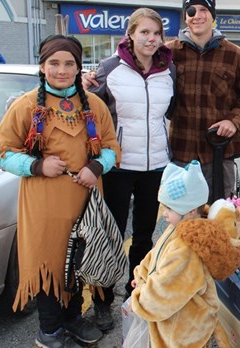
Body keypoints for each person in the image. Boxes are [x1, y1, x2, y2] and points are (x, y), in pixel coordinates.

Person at [0, 34, 120, 348]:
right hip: (43, 205)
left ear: (78, 68)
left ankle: (74, 320)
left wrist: (96, 167)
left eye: (68, 64)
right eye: (54, 63)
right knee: (50, 263)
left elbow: (111, 148)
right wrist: (37, 166)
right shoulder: (25, 106)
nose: (61, 70)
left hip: (84, 202)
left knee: (79, 261)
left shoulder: (96, 106)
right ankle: (49, 330)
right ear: (43, 65)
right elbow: (1, 154)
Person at [85, 7, 175, 331]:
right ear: (131, 35)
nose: (151, 39)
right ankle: (102, 301)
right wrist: (85, 85)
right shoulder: (110, 68)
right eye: (144, 32)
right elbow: (89, 110)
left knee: (143, 237)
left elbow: (173, 111)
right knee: (111, 235)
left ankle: (133, 295)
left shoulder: (169, 70)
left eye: (156, 33)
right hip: (119, 166)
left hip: (156, 166)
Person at [130, 161, 240, 348]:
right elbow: (156, 254)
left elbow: (165, 293)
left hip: (183, 330)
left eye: (169, 209)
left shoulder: (187, 250)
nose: (164, 214)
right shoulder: (178, 227)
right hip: (177, 323)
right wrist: (141, 273)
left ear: (190, 210)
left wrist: (140, 298)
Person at [165, 0, 240, 202]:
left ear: (213, 16)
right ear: (185, 16)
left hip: (220, 154)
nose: (197, 15)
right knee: (183, 218)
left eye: (203, 10)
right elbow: (136, 64)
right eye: (191, 11)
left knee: (220, 218)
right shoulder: (168, 53)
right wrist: (96, 76)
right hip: (182, 152)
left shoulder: (234, 55)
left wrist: (232, 120)